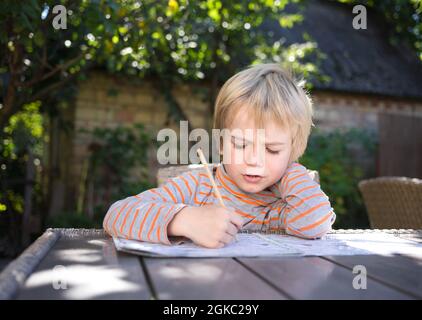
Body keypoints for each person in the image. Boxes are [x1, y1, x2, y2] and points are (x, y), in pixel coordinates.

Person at [103, 63, 336, 248]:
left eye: (272, 149)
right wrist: (184, 220)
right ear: (221, 143)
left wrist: (290, 169)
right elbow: (115, 216)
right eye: (241, 144)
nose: (255, 160)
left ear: (292, 151)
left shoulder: (287, 200)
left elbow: (315, 222)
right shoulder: (198, 186)